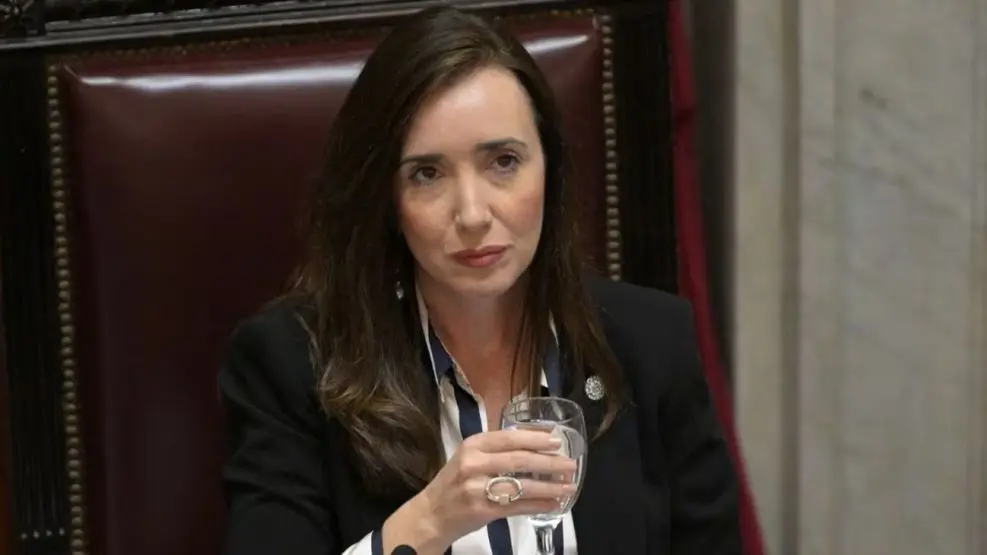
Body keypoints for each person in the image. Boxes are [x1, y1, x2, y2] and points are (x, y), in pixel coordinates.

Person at [218, 6, 741, 555]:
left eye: (504, 162)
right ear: (386, 198)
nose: (472, 214)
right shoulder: (292, 365)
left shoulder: (651, 345)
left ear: (550, 171)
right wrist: (428, 522)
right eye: (427, 174)